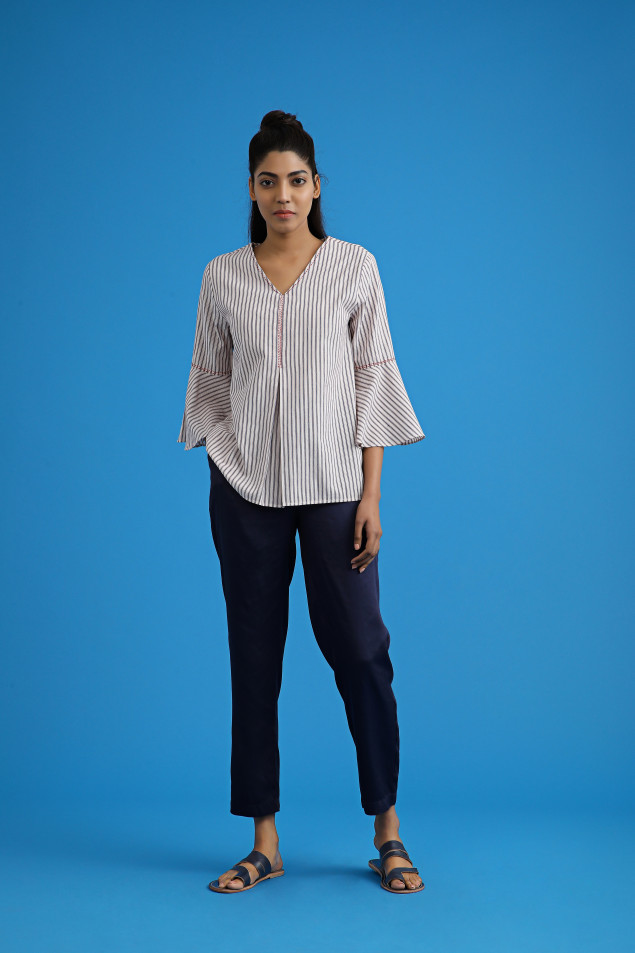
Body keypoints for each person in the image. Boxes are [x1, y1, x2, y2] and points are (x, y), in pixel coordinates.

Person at [177, 110, 426, 895]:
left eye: (294, 180)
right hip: (245, 492)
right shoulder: (222, 275)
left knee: (361, 651)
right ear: (251, 190)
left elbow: (372, 381)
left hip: (336, 492)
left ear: (316, 187)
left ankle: (387, 829)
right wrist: (226, 456)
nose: (282, 194)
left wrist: (371, 494)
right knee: (253, 658)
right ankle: (264, 841)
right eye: (267, 181)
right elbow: (210, 379)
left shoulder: (354, 267)